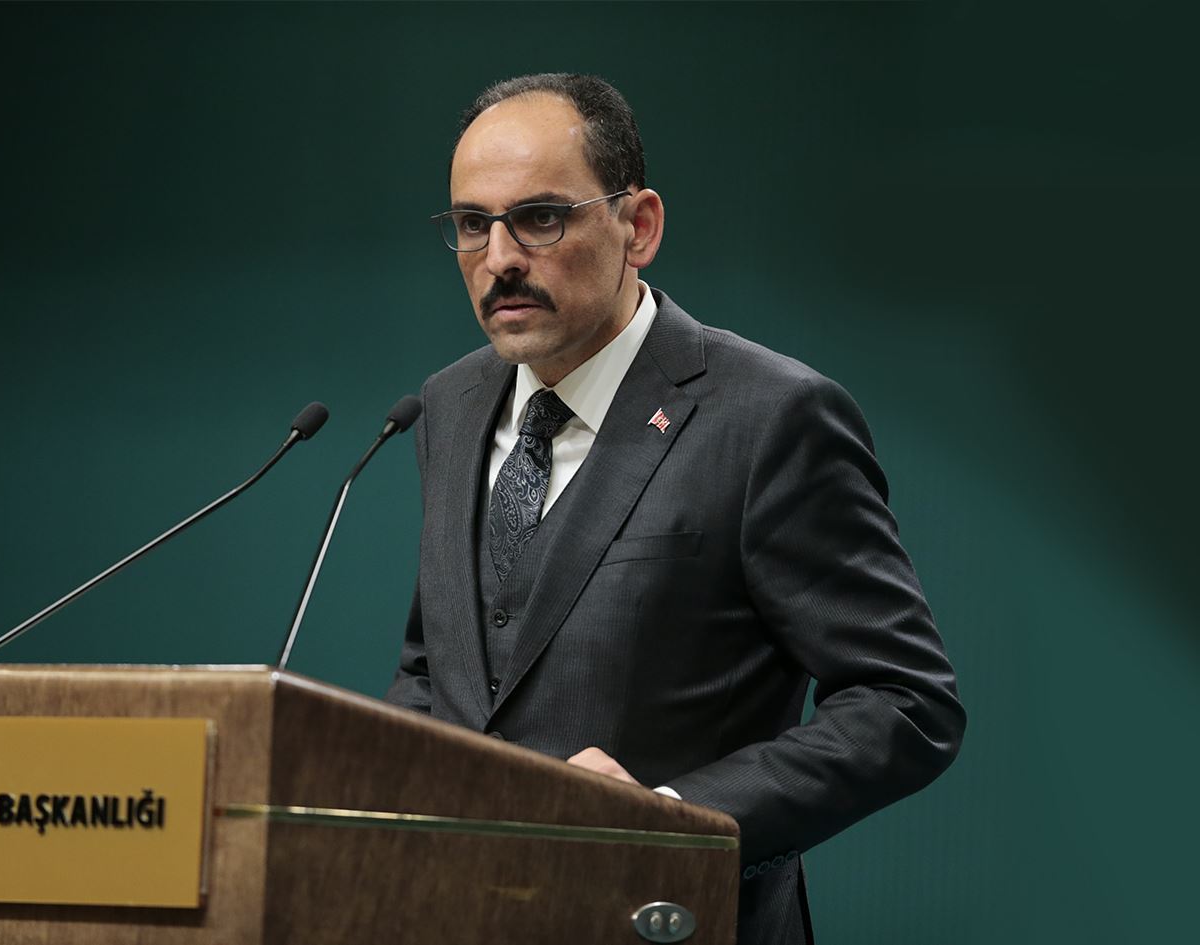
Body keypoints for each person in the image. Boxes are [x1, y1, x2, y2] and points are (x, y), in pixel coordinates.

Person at [384, 73, 964, 945]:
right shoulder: (450, 405)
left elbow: (906, 701)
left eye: (539, 217)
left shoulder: (770, 417)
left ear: (639, 226)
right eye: (473, 223)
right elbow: (439, 672)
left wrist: (669, 817)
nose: (499, 257)